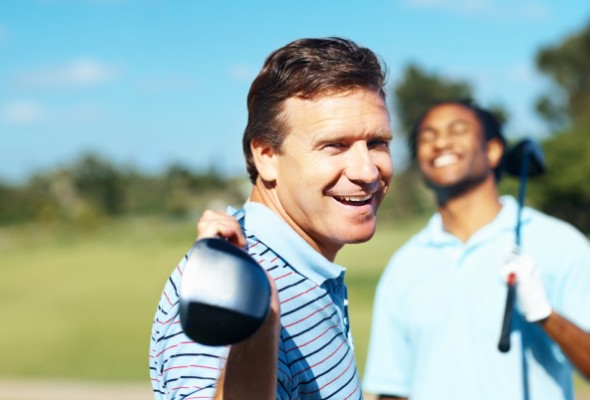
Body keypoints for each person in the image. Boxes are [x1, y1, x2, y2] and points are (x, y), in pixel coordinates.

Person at [149, 37, 393, 399]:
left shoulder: (301, 270)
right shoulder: (232, 290)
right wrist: (256, 330)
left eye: (377, 143)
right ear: (266, 156)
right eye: (334, 145)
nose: (367, 171)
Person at [362, 100, 590, 400]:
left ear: (494, 151)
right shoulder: (405, 264)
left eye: (457, 131)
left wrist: (544, 314)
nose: (440, 142)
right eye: (427, 137)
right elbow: (393, 389)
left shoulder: (558, 242)